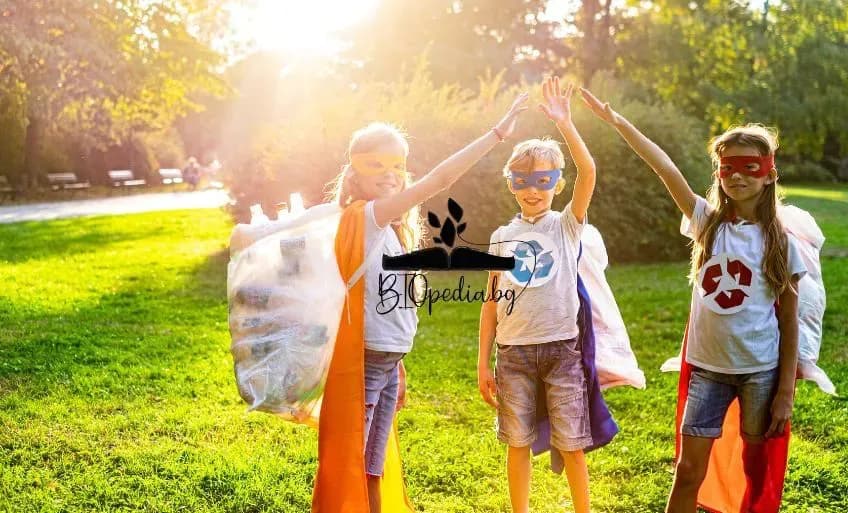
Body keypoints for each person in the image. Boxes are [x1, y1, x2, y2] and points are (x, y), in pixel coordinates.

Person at [579, 87, 807, 513]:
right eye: (727, 168)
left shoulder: (781, 242)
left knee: (755, 472)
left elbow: (790, 320)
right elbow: (664, 168)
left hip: (760, 373)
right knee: (687, 471)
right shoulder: (706, 222)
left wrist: (785, 392)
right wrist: (616, 120)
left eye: (749, 168)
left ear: (769, 174)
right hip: (707, 371)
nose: (737, 176)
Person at [313, 92, 529, 513]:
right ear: (355, 171)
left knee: (373, 468)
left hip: (385, 362)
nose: (391, 175)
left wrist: (398, 363)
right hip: (365, 365)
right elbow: (439, 180)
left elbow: (382, 299)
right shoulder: (368, 216)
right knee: (352, 467)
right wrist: (496, 134)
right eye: (377, 165)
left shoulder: (389, 228)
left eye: (397, 165)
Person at [478, 77, 598, 513]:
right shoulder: (501, 236)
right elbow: (491, 302)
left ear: (557, 185)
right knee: (517, 442)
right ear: (511, 184)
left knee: (572, 444)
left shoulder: (567, 225)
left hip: (561, 350)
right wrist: (483, 361)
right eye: (522, 180)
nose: (533, 190)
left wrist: (565, 123)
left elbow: (589, 172)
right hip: (512, 354)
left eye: (543, 180)